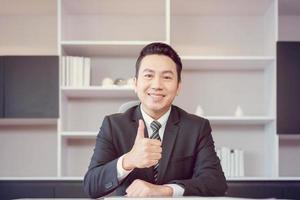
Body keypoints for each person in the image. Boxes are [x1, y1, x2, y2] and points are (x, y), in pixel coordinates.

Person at [83, 42, 227, 198]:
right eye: (149, 75)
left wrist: (165, 190)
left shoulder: (197, 127)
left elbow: (216, 183)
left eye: (166, 77)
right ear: (136, 83)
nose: (157, 85)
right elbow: (91, 186)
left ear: (178, 86)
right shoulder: (113, 125)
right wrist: (128, 160)